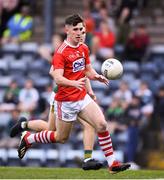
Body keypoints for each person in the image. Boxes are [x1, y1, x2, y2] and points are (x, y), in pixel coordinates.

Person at [17, 14, 130, 173]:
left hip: (81, 96)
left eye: (82, 29)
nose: (79, 32)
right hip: (65, 100)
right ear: (67, 30)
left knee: (101, 124)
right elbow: (57, 77)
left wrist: (96, 76)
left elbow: (87, 70)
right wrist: (74, 83)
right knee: (60, 137)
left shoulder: (84, 48)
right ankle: (29, 137)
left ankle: (113, 164)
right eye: (76, 29)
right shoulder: (61, 52)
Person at [10, 28, 103, 170]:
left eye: (83, 33)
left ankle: (24, 126)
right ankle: (87, 159)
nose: (81, 36)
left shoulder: (79, 50)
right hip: (64, 95)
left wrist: (89, 90)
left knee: (51, 128)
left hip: (72, 95)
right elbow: (53, 72)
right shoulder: (62, 52)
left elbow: (82, 73)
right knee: (62, 131)